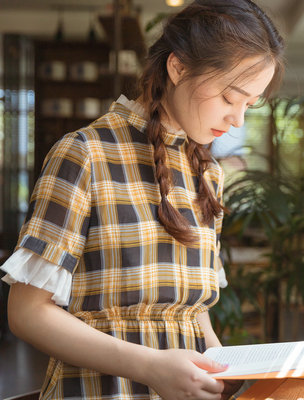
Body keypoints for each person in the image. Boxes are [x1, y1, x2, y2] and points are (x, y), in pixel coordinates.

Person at [1, 0, 284, 398]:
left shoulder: (208, 175)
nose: (238, 119)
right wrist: (150, 367)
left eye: (249, 105)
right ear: (179, 67)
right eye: (229, 97)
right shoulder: (86, 154)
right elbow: (26, 314)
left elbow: (190, 309)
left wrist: (219, 364)